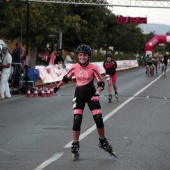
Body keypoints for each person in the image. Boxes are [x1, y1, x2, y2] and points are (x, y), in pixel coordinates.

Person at [53, 44, 116, 160]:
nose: (82, 57)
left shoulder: (93, 67)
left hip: (91, 94)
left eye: (85, 55)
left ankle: (102, 141)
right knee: (77, 119)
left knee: (98, 119)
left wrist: (97, 92)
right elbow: (65, 78)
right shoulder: (74, 67)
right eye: (80, 55)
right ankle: (75, 143)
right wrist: (57, 87)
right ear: (78, 56)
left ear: (88, 56)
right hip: (79, 95)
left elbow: (100, 83)